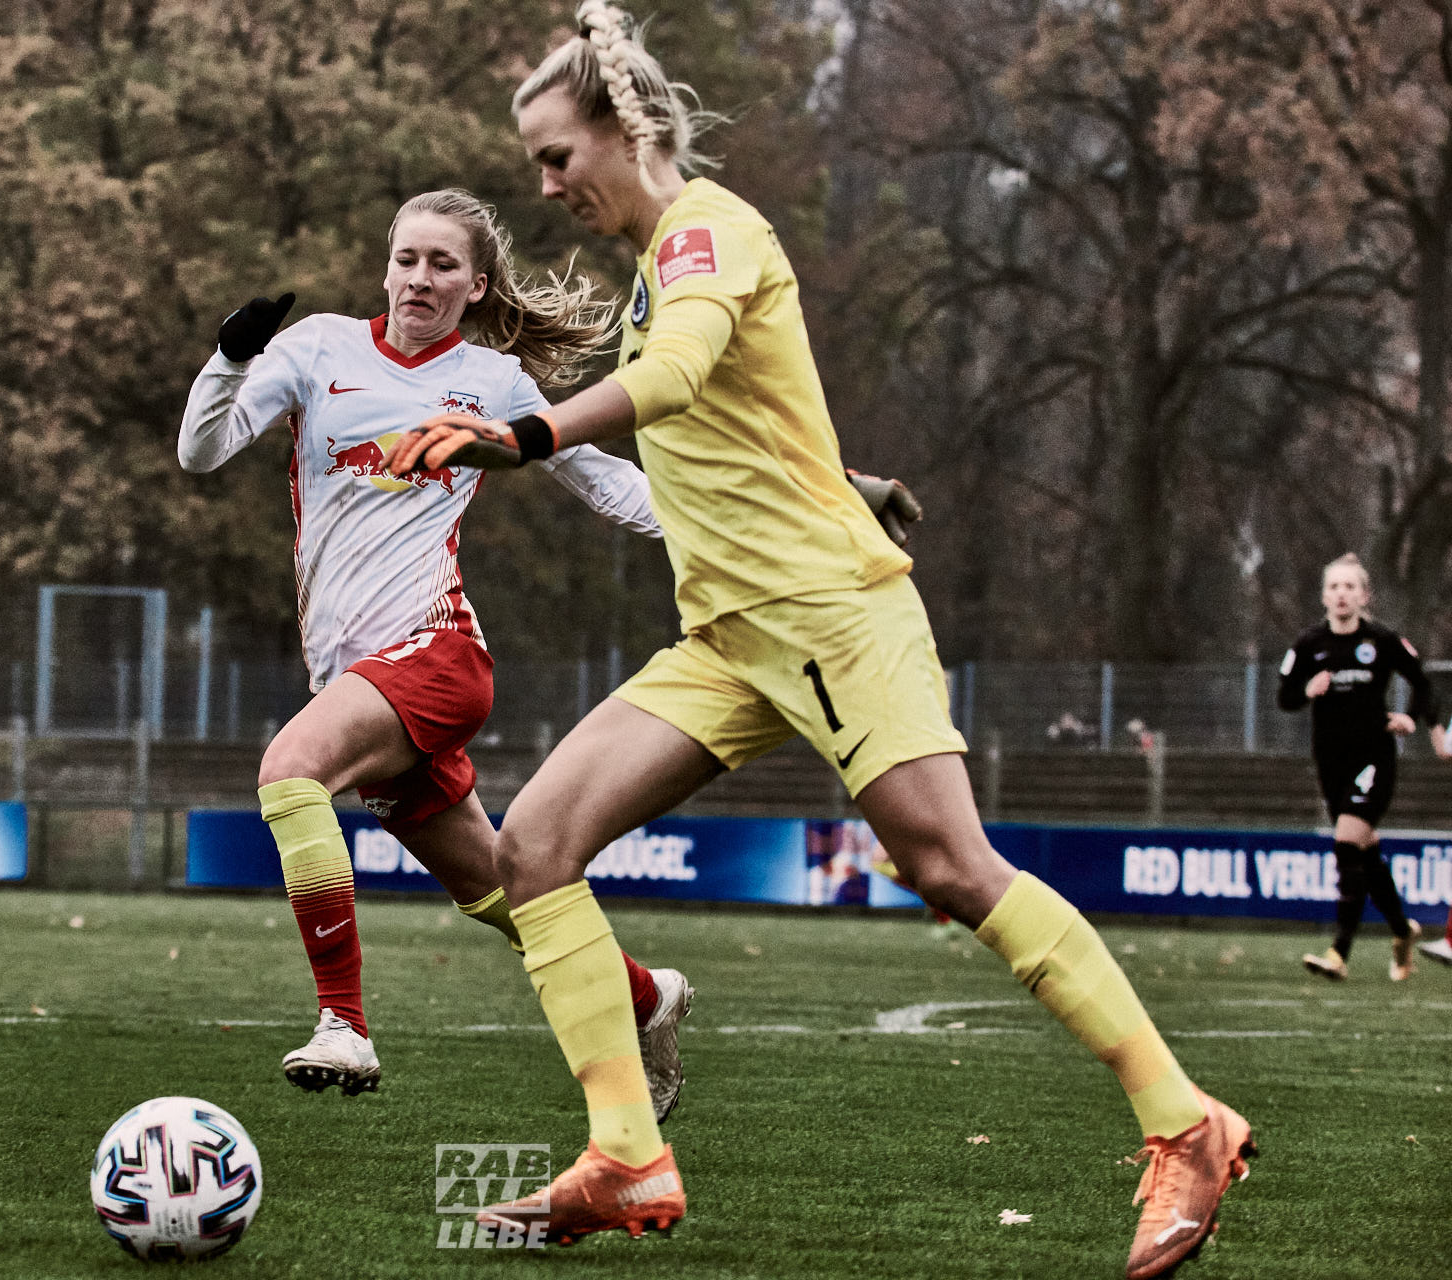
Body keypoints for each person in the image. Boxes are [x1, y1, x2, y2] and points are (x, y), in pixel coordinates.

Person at [385, 8, 1253, 1275]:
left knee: (950, 863)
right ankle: (627, 1150)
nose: (546, 185)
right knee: (536, 848)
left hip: (833, 618)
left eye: (555, 157)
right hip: (731, 638)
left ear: (621, 134)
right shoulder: (660, 264)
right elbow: (730, 422)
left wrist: (521, 437)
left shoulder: (708, 231)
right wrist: (843, 472)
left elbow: (680, 375)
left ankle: (1188, 1122)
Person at [178, 188, 693, 1111]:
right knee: (504, 890)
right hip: (353, 675)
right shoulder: (319, 348)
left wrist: (733, 528)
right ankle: (648, 997)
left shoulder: (494, 384)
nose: (421, 277)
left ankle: (344, 1025)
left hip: (438, 654)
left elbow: (605, 482)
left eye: (443, 264)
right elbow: (202, 452)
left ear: (475, 285)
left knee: (289, 770)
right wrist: (229, 356)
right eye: (408, 258)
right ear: (386, 265)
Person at [1277, 553, 1444, 981]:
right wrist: (1308, 691)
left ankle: (1339, 952)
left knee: (1347, 842)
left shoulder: (1383, 641)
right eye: (1334, 587)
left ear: (1364, 595)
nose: (1342, 594)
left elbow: (1424, 683)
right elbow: (1285, 697)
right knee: (1365, 854)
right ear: (1324, 596)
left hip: (1375, 758)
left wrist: (1412, 718)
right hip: (1330, 761)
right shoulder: (1309, 644)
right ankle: (1401, 930)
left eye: (1350, 587)